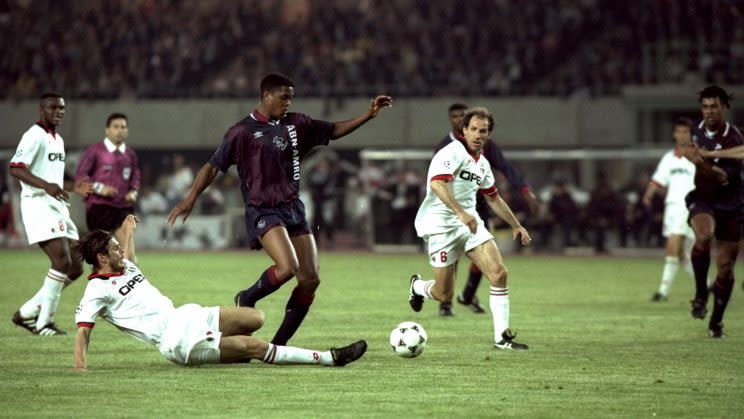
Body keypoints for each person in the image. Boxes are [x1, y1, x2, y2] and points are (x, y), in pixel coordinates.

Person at [167, 73, 392, 345]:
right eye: (283, 97)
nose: (288, 102)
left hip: (293, 207)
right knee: (287, 268)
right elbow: (212, 166)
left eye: (291, 98)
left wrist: (368, 115)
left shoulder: (297, 124)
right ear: (266, 96)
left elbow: (332, 130)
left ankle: (278, 345)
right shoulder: (241, 132)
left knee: (310, 279)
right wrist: (191, 198)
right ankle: (247, 297)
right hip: (263, 209)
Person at [72, 215, 367, 370]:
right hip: (177, 341)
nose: (119, 250)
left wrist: (128, 230)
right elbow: (83, 331)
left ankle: (229, 349)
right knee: (256, 347)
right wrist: (79, 367)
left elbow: (131, 257)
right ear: (100, 258)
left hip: (187, 315)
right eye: (113, 249)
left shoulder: (125, 267)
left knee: (256, 317)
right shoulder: (96, 291)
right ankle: (329, 358)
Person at [408, 107, 532, 350]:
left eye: (483, 131)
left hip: (470, 226)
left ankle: (502, 339)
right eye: (473, 129)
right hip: (441, 226)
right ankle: (417, 287)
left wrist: (516, 225)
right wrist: (461, 212)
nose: (477, 134)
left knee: (499, 274)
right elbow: (437, 185)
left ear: (488, 135)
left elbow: (493, 198)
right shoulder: (450, 153)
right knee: (444, 294)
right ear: (464, 131)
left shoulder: (483, 164)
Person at [435, 103, 539, 316]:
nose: (457, 119)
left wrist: (524, 190)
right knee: (452, 257)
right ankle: (446, 302)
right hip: (451, 210)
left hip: (480, 205)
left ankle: (468, 294)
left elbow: (505, 168)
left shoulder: (486, 147)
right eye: (454, 116)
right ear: (460, 126)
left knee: (487, 254)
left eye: (461, 116)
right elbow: (437, 181)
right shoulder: (445, 147)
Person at [9, 92, 92, 336]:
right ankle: (45, 322)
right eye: (53, 107)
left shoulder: (57, 139)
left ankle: (25, 313)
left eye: (62, 108)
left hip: (56, 206)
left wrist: (72, 186)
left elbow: (52, 178)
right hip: (38, 204)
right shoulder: (33, 135)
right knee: (62, 261)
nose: (59, 112)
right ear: (41, 110)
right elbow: (16, 168)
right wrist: (46, 186)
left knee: (75, 266)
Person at [682, 85, 743, 338]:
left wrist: (702, 159)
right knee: (704, 236)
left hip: (730, 201)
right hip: (703, 199)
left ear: (724, 108)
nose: (709, 111)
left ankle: (716, 323)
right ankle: (699, 295)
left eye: (714, 106)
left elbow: (720, 176)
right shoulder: (694, 131)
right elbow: (685, 148)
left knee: (726, 267)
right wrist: (692, 154)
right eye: (705, 106)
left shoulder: (734, 137)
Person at [641, 117, 701, 302]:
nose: (682, 134)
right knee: (683, 256)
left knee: (672, 246)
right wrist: (648, 195)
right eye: (679, 131)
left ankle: (662, 292)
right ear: (674, 134)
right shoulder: (669, 157)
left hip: (688, 206)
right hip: (672, 208)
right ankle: (709, 286)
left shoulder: (697, 155)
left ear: (691, 134)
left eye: (685, 131)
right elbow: (658, 179)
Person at [75, 113, 140, 244]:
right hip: (99, 207)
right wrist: (99, 188)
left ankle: (130, 264)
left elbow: (135, 176)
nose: (120, 130)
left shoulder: (130, 154)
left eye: (123, 127)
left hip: (123, 207)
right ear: (107, 130)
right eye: (116, 127)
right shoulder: (94, 151)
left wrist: (133, 191)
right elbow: (80, 177)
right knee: (100, 252)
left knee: (127, 247)